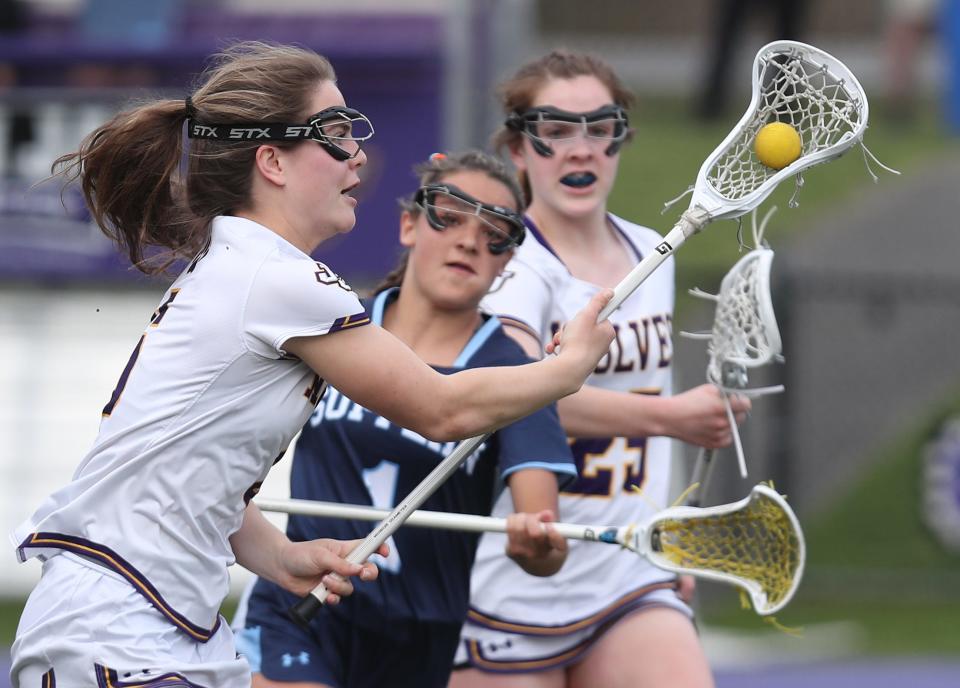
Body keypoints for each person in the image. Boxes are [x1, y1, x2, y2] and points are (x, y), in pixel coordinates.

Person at [9, 42, 615, 688]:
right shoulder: (279, 278)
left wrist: (281, 557)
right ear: (271, 160)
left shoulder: (244, 268)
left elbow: (200, 478)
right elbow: (444, 410)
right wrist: (568, 367)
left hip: (150, 629)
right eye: (334, 133)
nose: (357, 154)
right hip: (118, 631)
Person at [451, 51, 751, 688]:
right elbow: (516, 397)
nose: (580, 149)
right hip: (513, 583)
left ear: (620, 141)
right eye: (555, 131)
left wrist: (666, 538)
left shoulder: (652, 251)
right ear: (519, 149)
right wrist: (669, 419)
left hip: (629, 578)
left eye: (599, 129)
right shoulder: (514, 268)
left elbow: (647, 396)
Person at [232, 150, 576, 688]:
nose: (468, 240)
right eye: (450, 215)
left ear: (507, 259)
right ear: (410, 224)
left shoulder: (511, 374)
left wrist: (537, 543)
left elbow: (542, 533)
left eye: (495, 233)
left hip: (416, 639)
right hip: (298, 611)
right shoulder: (332, 323)